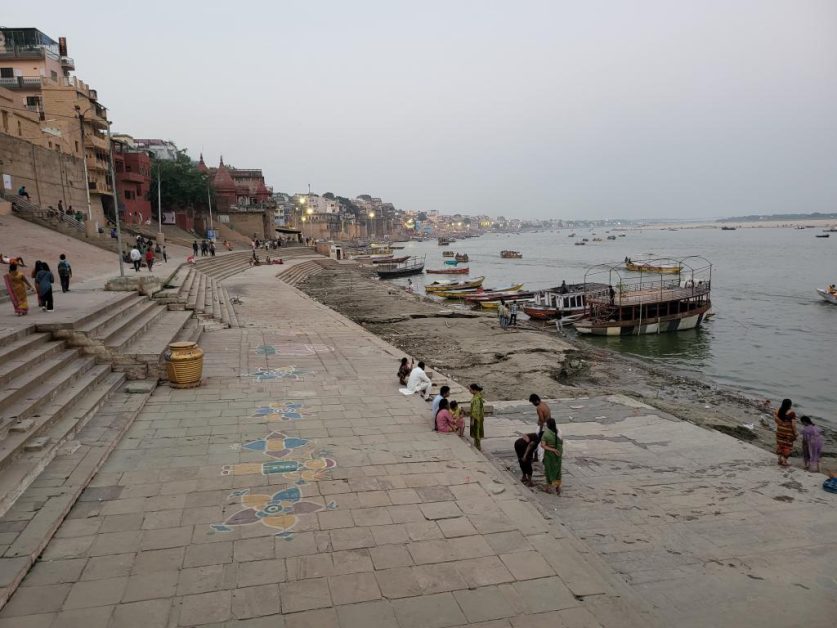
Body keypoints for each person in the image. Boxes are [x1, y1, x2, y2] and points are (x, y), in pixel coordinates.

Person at [540, 417, 563, 494]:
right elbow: (561, 442)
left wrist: (553, 449)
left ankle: (549, 488)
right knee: (557, 470)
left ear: (548, 425)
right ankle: (557, 487)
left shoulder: (546, 434)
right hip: (559, 453)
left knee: (549, 470)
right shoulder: (559, 431)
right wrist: (557, 450)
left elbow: (543, 445)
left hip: (550, 455)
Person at [774, 398, 797, 467]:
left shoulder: (777, 410)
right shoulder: (792, 413)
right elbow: (793, 424)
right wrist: (795, 433)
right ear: (790, 405)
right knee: (787, 446)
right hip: (788, 433)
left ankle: (779, 459)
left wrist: (782, 424)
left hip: (780, 431)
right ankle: (785, 461)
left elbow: (776, 420)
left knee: (780, 444)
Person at [469, 383, 485, 450]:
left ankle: (477, 446)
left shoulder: (476, 399)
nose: (469, 391)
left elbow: (475, 411)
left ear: (474, 390)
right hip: (479, 417)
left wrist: (472, 420)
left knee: (476, 432)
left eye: (470, 390)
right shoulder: (478, 396)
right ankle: (477, 445)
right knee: (477, 432)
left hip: (476, 419)